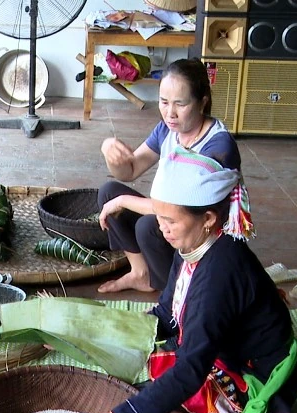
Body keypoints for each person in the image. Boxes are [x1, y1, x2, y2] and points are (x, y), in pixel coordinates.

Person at [60, 148, 297, 413]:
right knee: (132, 399)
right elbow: (167, 315)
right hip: (224, 353)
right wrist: (96, 332)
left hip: (258, 377)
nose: (162, 229)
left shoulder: (219, 272)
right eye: (160, 217)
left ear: (207, 219)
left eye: (170, 221)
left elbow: (190, 370)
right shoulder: (194, 247)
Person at [97, 58, 243, 294]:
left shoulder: (218, 146)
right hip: (173, 217)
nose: (170, 113)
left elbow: (178, 208)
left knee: (147, 225)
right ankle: (140, 273)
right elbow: (130, 171)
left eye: (180, 104)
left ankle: (173, 292)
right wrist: (110, 153)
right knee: (109, 192)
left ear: (202, 103)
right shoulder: (167, 130)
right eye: (164, 102)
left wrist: (123, 201)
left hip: (202, 234)